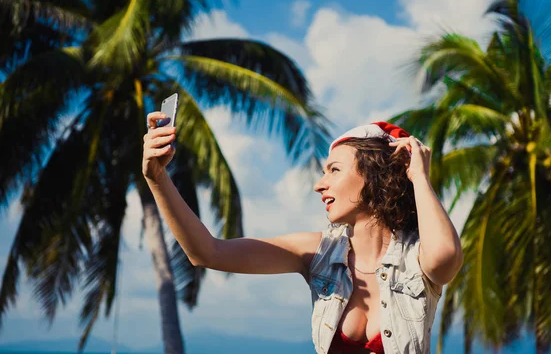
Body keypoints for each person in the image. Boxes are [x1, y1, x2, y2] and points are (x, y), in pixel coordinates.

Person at [143, 114, 463, 354]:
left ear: (375, 175)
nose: (319, 184)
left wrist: (418, 176)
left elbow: (445, 260)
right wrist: (157, 178)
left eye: (334, 170)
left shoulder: (416, 258)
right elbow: (207, 252)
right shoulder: (317, 253)